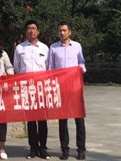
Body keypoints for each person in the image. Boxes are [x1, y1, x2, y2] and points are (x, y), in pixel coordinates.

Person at [47, 23, 87, 160]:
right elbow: (50, 68)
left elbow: (81, 62)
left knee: (79, 120)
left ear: (70, 32)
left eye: (64, 30)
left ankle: (81, 149)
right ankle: (64, 149)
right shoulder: (53, 47)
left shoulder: (77, 46)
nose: (62, 33)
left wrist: (79, 70)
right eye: (60, 31)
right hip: (61, 89)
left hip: (75, 88)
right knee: (62, 121)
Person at [13, 20, 50, 160]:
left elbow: (49, 68)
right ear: (26, 31)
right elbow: (17, 68)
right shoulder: (20, 48)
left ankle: (43, 148)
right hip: (27, 88)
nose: (31, 31)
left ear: (38, 31)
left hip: (41, 88)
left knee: (42, 120)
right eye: (29, 28)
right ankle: (33, 148)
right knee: (31, 120)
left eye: (34, 28)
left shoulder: (45, 48)